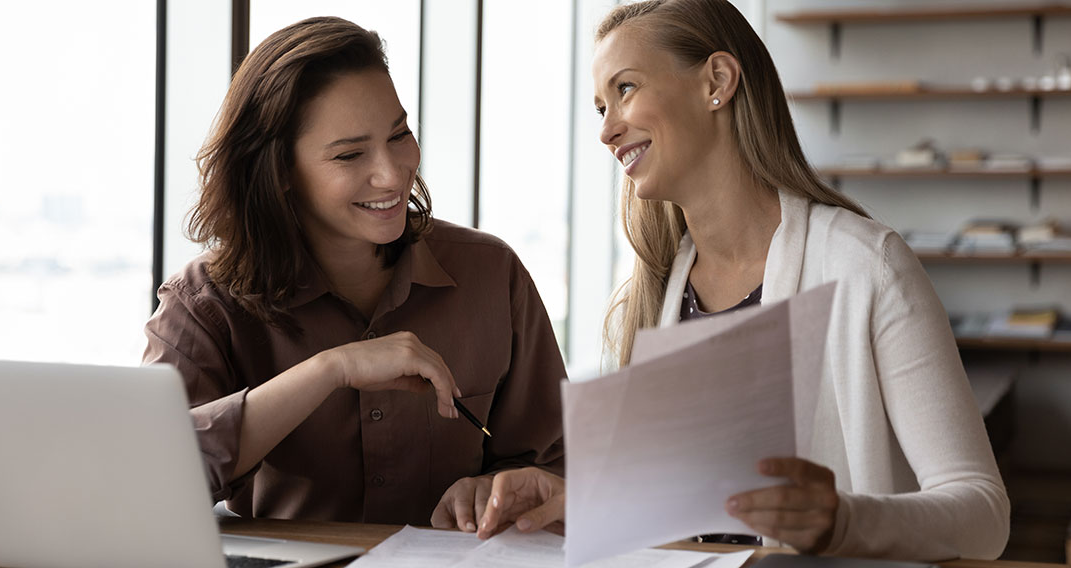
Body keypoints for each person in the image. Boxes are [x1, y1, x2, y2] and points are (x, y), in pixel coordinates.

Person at [474, 0, 1009, 561]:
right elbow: (690, 522)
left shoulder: (868, 267)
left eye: (625, 89)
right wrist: (577, 499)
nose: (607, 130)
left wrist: (842, 521)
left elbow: (984, 513)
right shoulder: (655, 295)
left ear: (718, 81)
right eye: (600, 106)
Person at [142, 16, 564, 529]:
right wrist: (329, 370)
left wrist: (501, 490)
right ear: (278, 172)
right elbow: (148, 476)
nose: (392, 174)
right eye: (349, 154)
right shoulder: (203, 302)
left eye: (399, 134)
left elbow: (558, 466)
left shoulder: (492, 274)